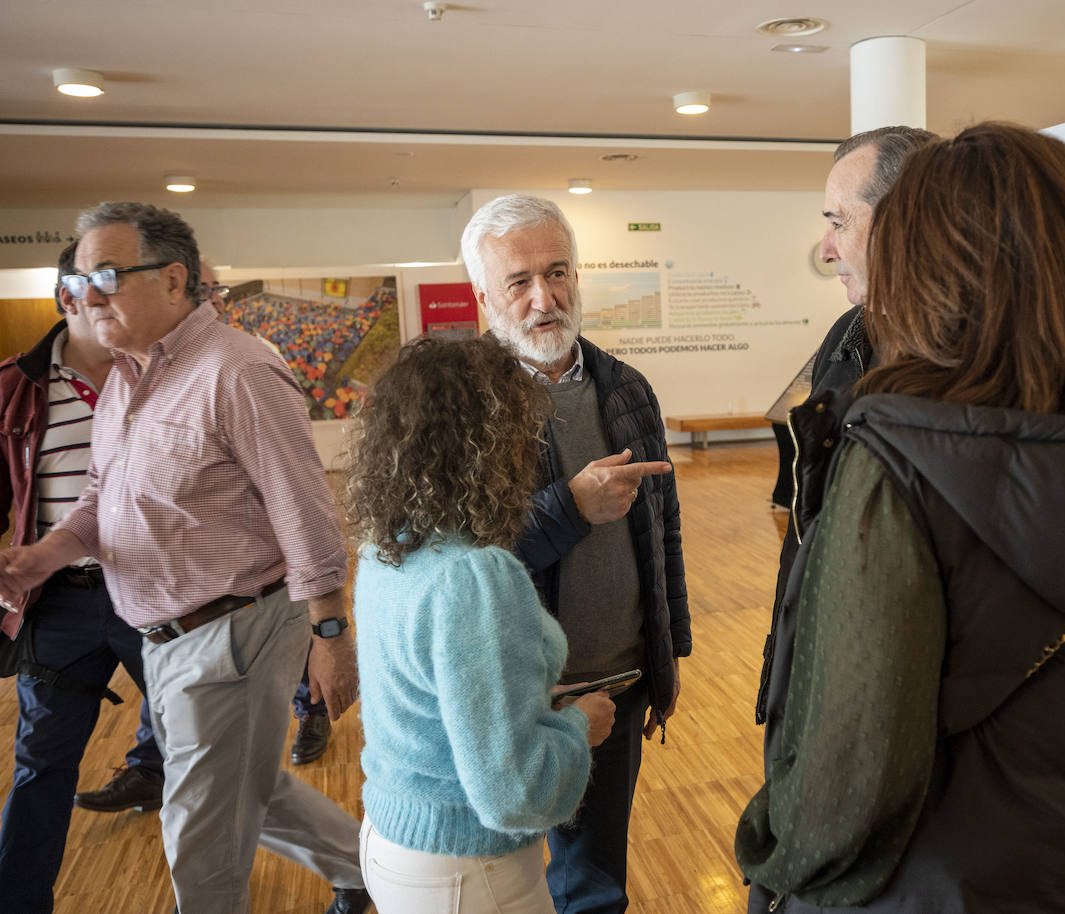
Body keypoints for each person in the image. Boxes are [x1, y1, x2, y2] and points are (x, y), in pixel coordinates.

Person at [736, 122, 1065, 912]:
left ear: (933, 261)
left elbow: (849, 785)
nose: (833, 250)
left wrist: (769, 850)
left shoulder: (900, 451)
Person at [0, 202, 370, 914]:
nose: (88, 296)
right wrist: (42, 556)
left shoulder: (237, 370)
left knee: (196, 835)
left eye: (106, 274)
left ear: (175, 281)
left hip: (234, 630)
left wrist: (331, 635)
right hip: (164, 638)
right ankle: (369, 872)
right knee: (247, 788)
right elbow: (101, 493)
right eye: (79, 282)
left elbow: (305, 511)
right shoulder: (125, 378)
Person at [460, 194, 690, 914]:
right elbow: (458, 565)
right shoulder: (470, 408)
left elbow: (664, 530)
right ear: (483, 298)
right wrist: (570, 507)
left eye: (557, 273)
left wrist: (666, 654)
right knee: (500, 885)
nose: (543, 298)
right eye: (518, 282)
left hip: (613, 689)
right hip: (511, 704)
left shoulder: (628, 389)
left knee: (593, 889)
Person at [349, 337, 616, 914]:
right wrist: (578, 729)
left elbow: (440, 705)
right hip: (468, 872)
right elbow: (514, 792)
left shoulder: (387, 546)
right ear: (490, 443)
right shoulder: (475, 575)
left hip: (392, 841)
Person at [0, 242, 166, 913]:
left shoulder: (169, 373)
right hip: (59, 605)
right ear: (65, 297)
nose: (110, 303)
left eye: (122, 285)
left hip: (161, 598)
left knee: (206, 761)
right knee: (40, 765)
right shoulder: (16, 386)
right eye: (94, 288)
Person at [755, 125, 936, 725]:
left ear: (905, 222)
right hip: (822, 673)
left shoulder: (975, 374)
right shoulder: (847, 337)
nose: (826, 250)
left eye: (839, 222)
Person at [199, 260, 330, 765]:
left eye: (219, 291)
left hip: (270, 532)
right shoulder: (162, 368)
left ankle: (312, 710)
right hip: (212, 560)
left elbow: (288, 466)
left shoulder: (254, 359)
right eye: (204, 291)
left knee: (294, 630)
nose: (214, 300)